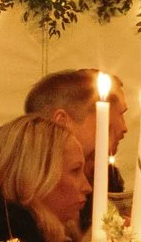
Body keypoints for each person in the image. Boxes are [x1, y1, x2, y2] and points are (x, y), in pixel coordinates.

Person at [24, 68, 126, 233]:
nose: (124, 127)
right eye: (104, 115)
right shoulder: (26, 209)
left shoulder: (99, 177)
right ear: (61, 122)